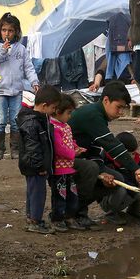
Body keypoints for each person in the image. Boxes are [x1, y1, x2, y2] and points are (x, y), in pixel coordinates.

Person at [69, 81, 140, 224]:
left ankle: (79, 210)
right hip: (65, 159)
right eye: (119, 107)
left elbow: (95, 150)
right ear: (106, 100)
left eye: (124, 108)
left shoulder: (99, 117)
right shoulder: (92, 115)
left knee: (116, 178)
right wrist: (136, 169)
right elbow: (112, 145)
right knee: (92, 169)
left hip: (80, 159)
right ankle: (76, 212)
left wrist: (102, 172)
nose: (121, 113)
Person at [0, 12, 40, 161]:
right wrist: (2, 51)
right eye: (4, 30)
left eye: (10, 30)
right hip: (0, 90)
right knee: (1, 120)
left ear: (16, 32)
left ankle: (15, 149)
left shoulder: (20, 49)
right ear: (0, 31)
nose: (6, 34)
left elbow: (28, 67)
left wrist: (34, 82)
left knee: (16, 121)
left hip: (16, 90)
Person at [17, 85, 61, 234]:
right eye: (53, 107)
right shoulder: (32, 122)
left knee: (32, 191)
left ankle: (32, 218)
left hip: (34, 165)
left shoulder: (39, 119)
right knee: (37, 193)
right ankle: (35, 221)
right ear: (44, 106)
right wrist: (40, 167)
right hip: (35, 166)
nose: (54, 111)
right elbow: (33, 148)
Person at [49, 94, 87, 232]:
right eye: (68, 113)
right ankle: (57, 219)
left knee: (72, 195)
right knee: (59, 196)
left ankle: (69, 217)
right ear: (58, 112)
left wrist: (76, 147)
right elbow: (59, 147)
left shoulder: (65, 126)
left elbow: (70, 141)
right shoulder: (54, 127)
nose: (70, 116)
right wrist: (73, 153)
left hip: (68, 168)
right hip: (58, 169)